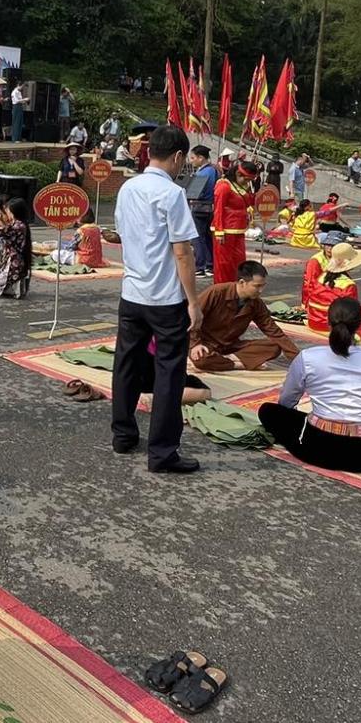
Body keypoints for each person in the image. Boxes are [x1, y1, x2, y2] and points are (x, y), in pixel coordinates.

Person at [112, 125, 203, 474]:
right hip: (165, 298)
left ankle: (123, 435)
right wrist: (193, 301)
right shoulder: (172, 194)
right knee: (169, 374)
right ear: (178, 156)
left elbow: (124, 234)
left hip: (131, 293)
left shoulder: (127, 187)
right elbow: (182, 252)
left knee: (127, 364)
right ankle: (163, 452)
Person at [257, 298, 361, 473]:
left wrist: (296, 417)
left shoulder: (308, 357)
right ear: (360, 325)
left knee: (268, 411)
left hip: (315, 448)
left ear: (328, 322)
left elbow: (287, 399)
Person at [190, 261, 298, 372]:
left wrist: (299, 360)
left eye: (263, 286)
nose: (261, 291)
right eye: (257, 286)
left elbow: (273, 331)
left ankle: (223, 361)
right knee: (201, 360)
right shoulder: (216, 292)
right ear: (242, 282)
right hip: (206, 344)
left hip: (230, 346)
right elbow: (190, 319)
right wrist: (195, 344)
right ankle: (237, 364)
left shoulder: (256, 303)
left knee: (275, 346)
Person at [305, 243, 361, 343]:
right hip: (331, 325)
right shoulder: (348, 284)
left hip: (313, 322)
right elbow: (351, 313)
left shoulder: (322, 277)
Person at [210, 161, 257, 284]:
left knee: (239, 261)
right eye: (246, 179)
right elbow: (218, 208)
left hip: (239, 230)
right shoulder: (224, 186)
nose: (247, 183)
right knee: (224, 263)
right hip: (225, 231)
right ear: (237, 173)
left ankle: (236, 287)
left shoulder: (240, 186)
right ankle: (223, 289)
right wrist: (219, 231)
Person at [0, 197, 32, 297]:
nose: (6, 212)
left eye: (7, 210)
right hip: (10, 263)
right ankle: (9, 287)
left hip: (13, 265)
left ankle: (11, 287)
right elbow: (5, 230)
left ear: (13, 211)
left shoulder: (18, 226)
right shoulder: (19, 224)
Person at [184, 145, 219, 276]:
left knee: (198, 238)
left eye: (193, 158)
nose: (191, 160)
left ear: (201, 158)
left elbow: (193, 193)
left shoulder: (202, 173)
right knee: (207, 237)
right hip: (210, 207)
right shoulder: (214, 170)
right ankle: (210, 265)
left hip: (199, 207)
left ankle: (200, 266)